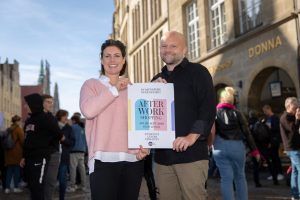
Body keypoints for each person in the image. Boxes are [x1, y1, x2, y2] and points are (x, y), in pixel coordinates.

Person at [79, 39, 149, 200]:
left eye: (117, 56)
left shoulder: (133, 88)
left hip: (133, 160)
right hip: (103, 159)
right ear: (101, 60)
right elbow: (89, 111)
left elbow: (143, 122)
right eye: (107, 56)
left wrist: (146, 147)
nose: (112, 60)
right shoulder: (91, 85)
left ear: (123, 60)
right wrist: (114, 88)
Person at [151, 31, 216, 200]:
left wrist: (191, 136)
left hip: (191, 157)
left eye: (173, 46)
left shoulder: (198, 72)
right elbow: (149, 119)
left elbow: (208, 109)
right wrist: (151, 91)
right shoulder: (155, 80)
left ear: (184, 49)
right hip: (162, 159)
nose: (167, 50)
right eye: (164, 46)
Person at [212, 87, 260, 200]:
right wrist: (255, 151)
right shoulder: (237, 113)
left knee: (226, 178)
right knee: (240, 177)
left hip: (220, 146)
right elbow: (247, 133)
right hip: (237, 146)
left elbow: (211, 131)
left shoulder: (214, 112)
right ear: (232, 100)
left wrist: (208, 145)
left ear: (221, 99)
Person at [20, 93, 64, 200]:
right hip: (34, 156)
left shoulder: (50, 118)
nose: (51, 105)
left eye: (52, 103)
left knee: (48, 183)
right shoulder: (31, 119)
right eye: (48, 102)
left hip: (50, 154)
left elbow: (58, 135)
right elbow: (27, 139)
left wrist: (46, 145)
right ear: (41, 103)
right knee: (35, 185)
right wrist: (24, 156)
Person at [279, 97, 300, 200]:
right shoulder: (285, 117)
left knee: (295, 171)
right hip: (292, 148)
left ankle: (295, 194)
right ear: (289, 106)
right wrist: (297, 119)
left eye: (297, 104)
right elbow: (292, 129)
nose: (297, 106)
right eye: (295, 104)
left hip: (296, 146)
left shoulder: (292, 116)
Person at [262, 104, 284, 181]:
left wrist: (270, 127)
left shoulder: (275, 118)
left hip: (275, 140)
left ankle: (280, 173)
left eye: (265, 111)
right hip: (269, 141)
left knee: (275, 157)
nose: (264, 113)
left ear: (269, 109)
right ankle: (274, 173)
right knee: (271, 157)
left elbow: (278, 128)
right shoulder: (267, 118)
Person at [56, 110, 74, 200]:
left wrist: (64, 140)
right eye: (64, 116)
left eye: (67, 116)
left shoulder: (69, 128)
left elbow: (72, 142)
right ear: (59, 116)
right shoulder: (53, 126)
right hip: (53, 156)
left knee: (63, 180)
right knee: (50, 180)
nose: (66, 118)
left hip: (63, 157)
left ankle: (61, 198)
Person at [4, 115, 24, 193]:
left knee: (9, 171)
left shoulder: (8, 129)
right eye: (20, 121)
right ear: (17, 121)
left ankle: (7, 188)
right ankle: (15, 187)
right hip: (16, 153)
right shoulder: (18, 129)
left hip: (8, 153)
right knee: (16, 171)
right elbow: (22, 141)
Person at [67, 115, 87, 192]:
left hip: (74, 150)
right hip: (82, 150)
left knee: (73, 169)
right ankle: (84, 186)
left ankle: (72, 186)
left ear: (74, 120)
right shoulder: (82, 128)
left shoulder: (73, 127)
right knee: (82, 169)